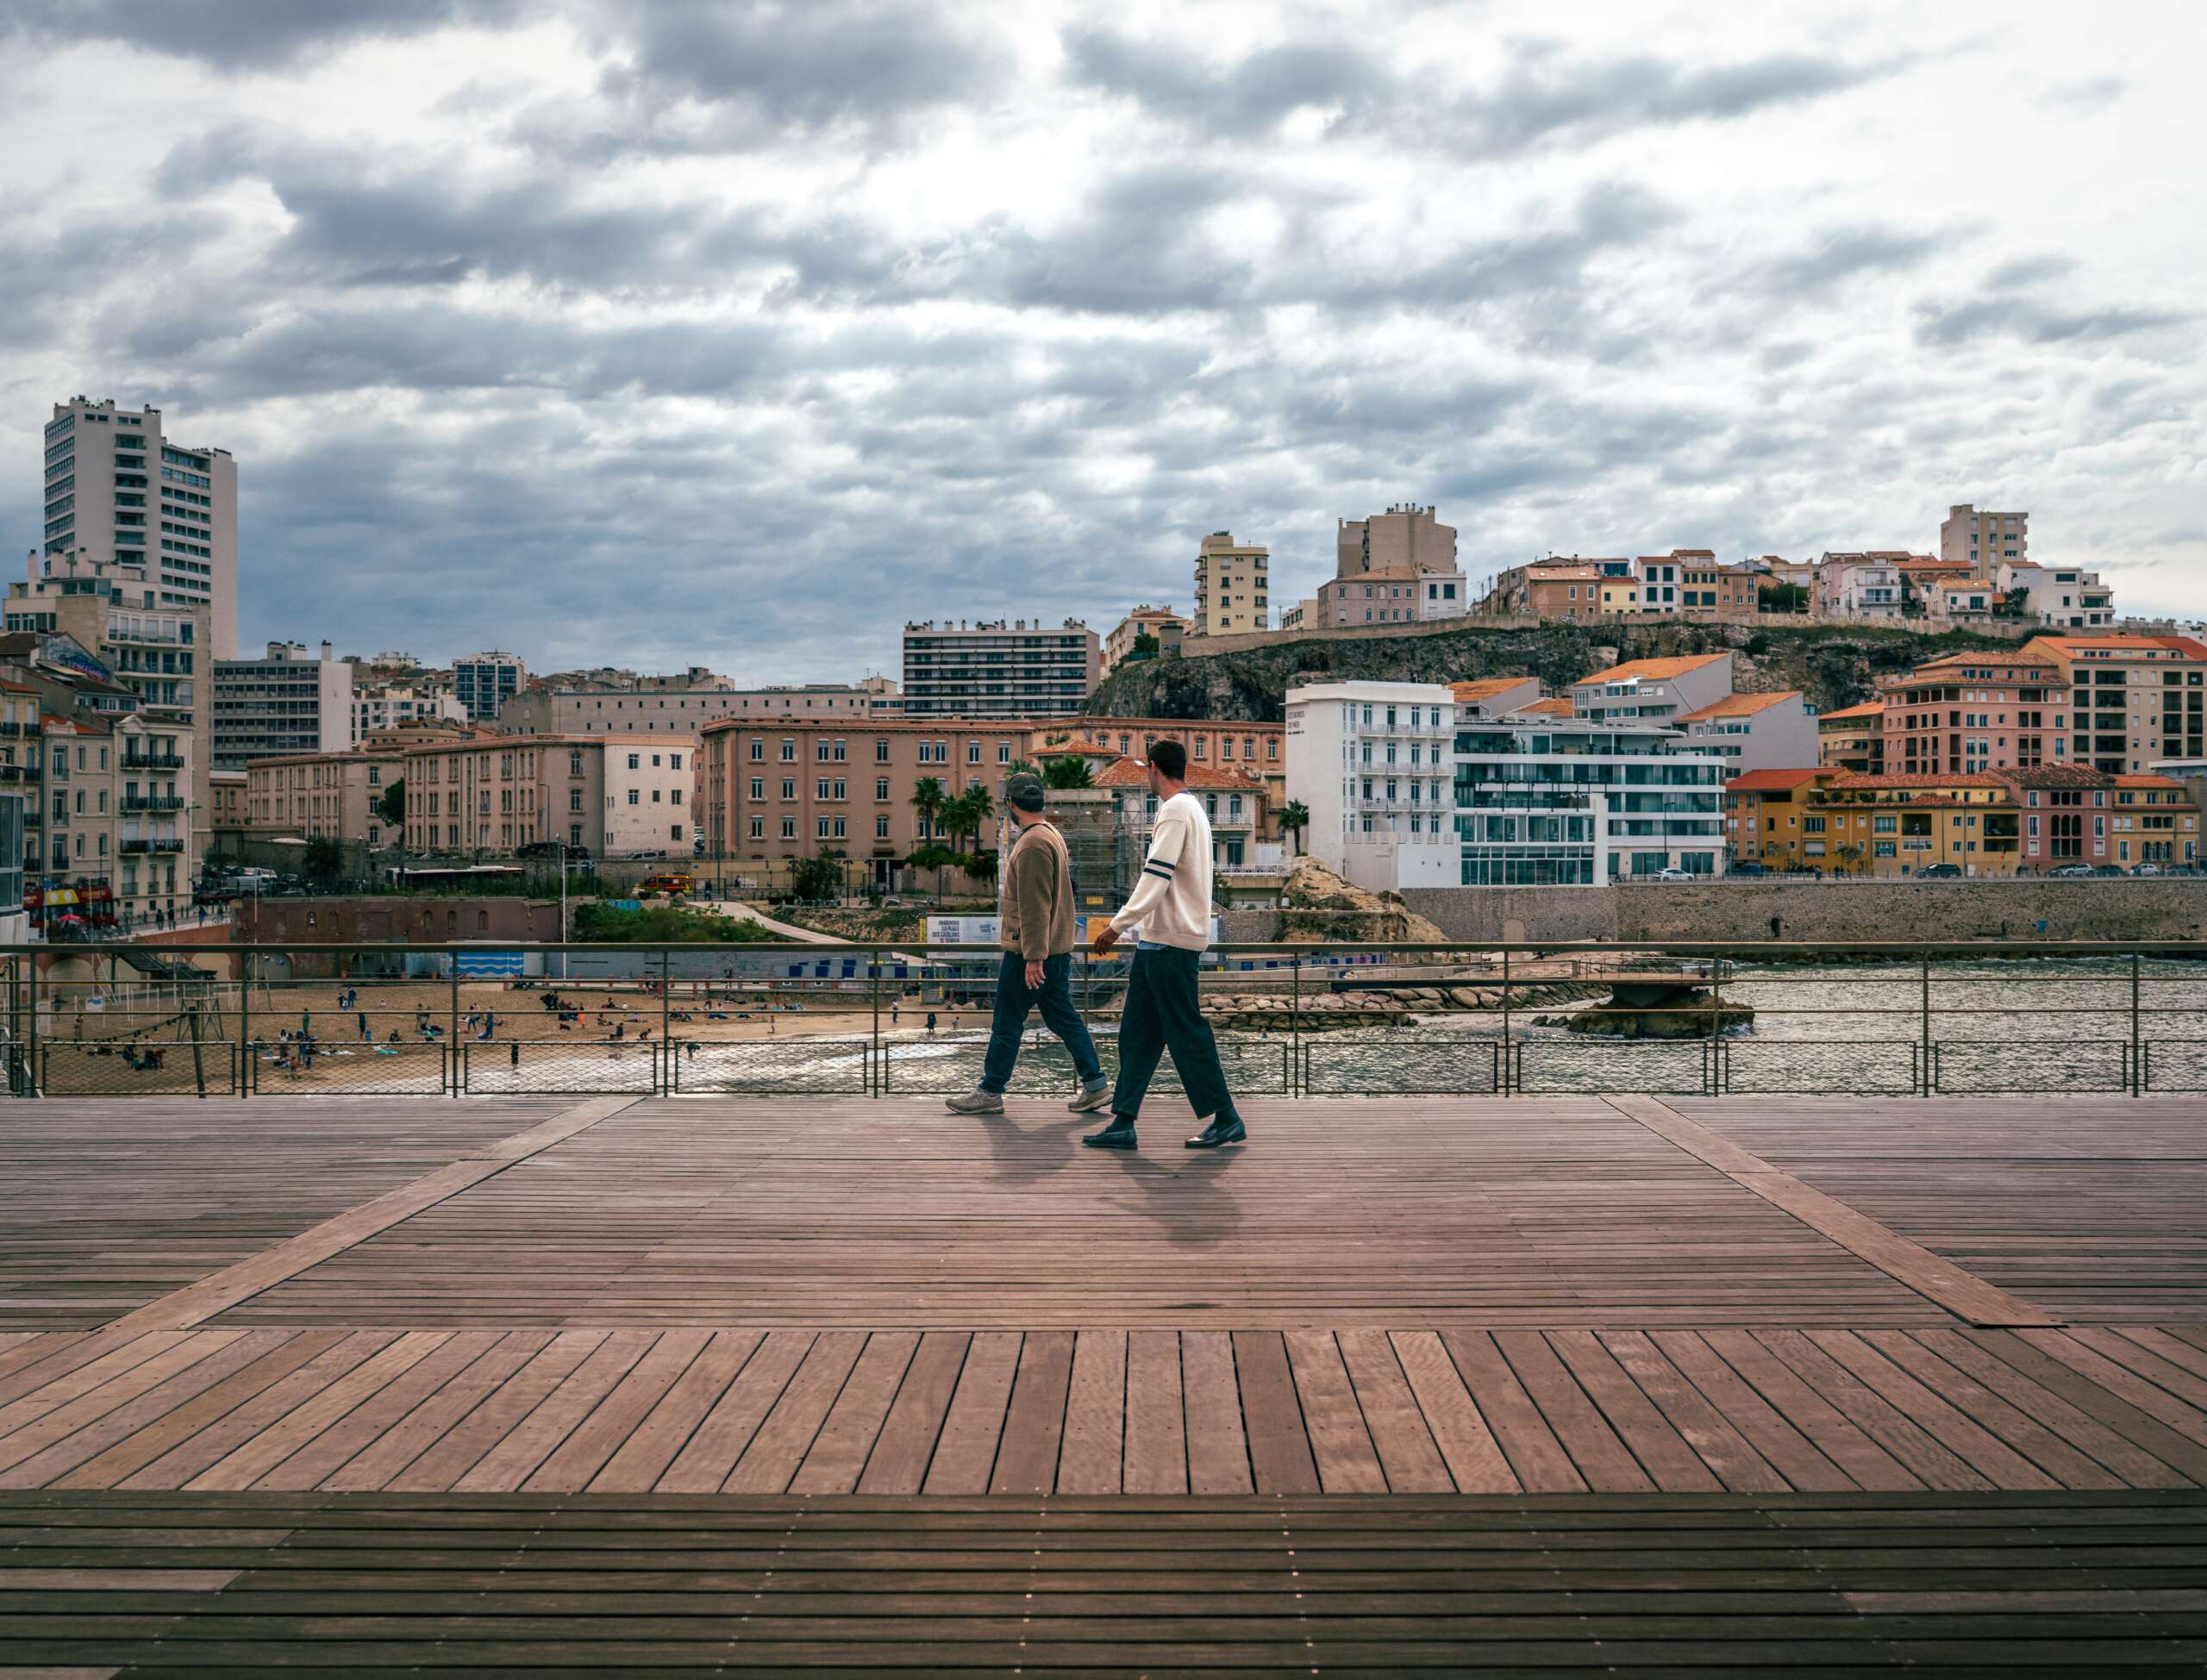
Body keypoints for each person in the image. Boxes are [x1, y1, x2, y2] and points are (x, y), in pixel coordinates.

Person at [1085, 739, 1246, 1152]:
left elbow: (1155, 875)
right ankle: (1123, 1121)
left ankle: (1226, 1117)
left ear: (1154, 768)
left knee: (1186, 1032)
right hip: (1161, 943)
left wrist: (1116, 926)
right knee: (1137, 1034)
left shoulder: (1174, 810)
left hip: (1170, 943)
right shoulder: (1194, 810)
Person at [946, 773, 1109, 1116]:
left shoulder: (1033, 843)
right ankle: (1095, 1084)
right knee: (1063, 1019)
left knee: (1007, 1022)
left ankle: (990, 1091)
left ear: (1011, 803)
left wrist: (1034, 957)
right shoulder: (1051, 835)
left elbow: (1035, 905)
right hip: (1056, 950)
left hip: (1030, 954)